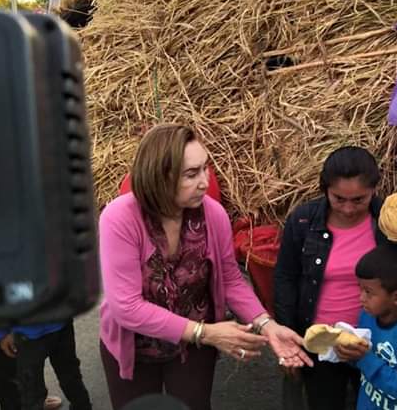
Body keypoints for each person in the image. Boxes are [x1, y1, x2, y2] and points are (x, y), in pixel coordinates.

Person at [99, 123, 311, 410]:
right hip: (135, 347)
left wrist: (267, 325)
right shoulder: (120, 218)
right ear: (159, 176)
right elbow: (126, 307)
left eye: (205, 168)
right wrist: (207, 333)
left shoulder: (213, 215)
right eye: (191, 173)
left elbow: (231, 279)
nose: (204, 181)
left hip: (192, 348)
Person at [274, 146, 397, 410]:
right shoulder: (304, 221)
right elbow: (285, 279)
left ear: (374, 189)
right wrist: (288, 338)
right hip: (323, 344)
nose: (348, 208)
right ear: (324, 189)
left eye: (359, 200)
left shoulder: (388, 221)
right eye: (338, 199)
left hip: (377, 344)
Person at [337, 245, 397, 410]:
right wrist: (349, 353)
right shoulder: (367, 316)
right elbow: (361, 363)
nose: (361, 298)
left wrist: (364, 358)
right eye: (360, 289)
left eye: (368, 292)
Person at [0, 320, 92, 410]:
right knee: (31, 388)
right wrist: (1, 332)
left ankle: (82, 406)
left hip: (60, 324)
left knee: (70, 376)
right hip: (26, 333)